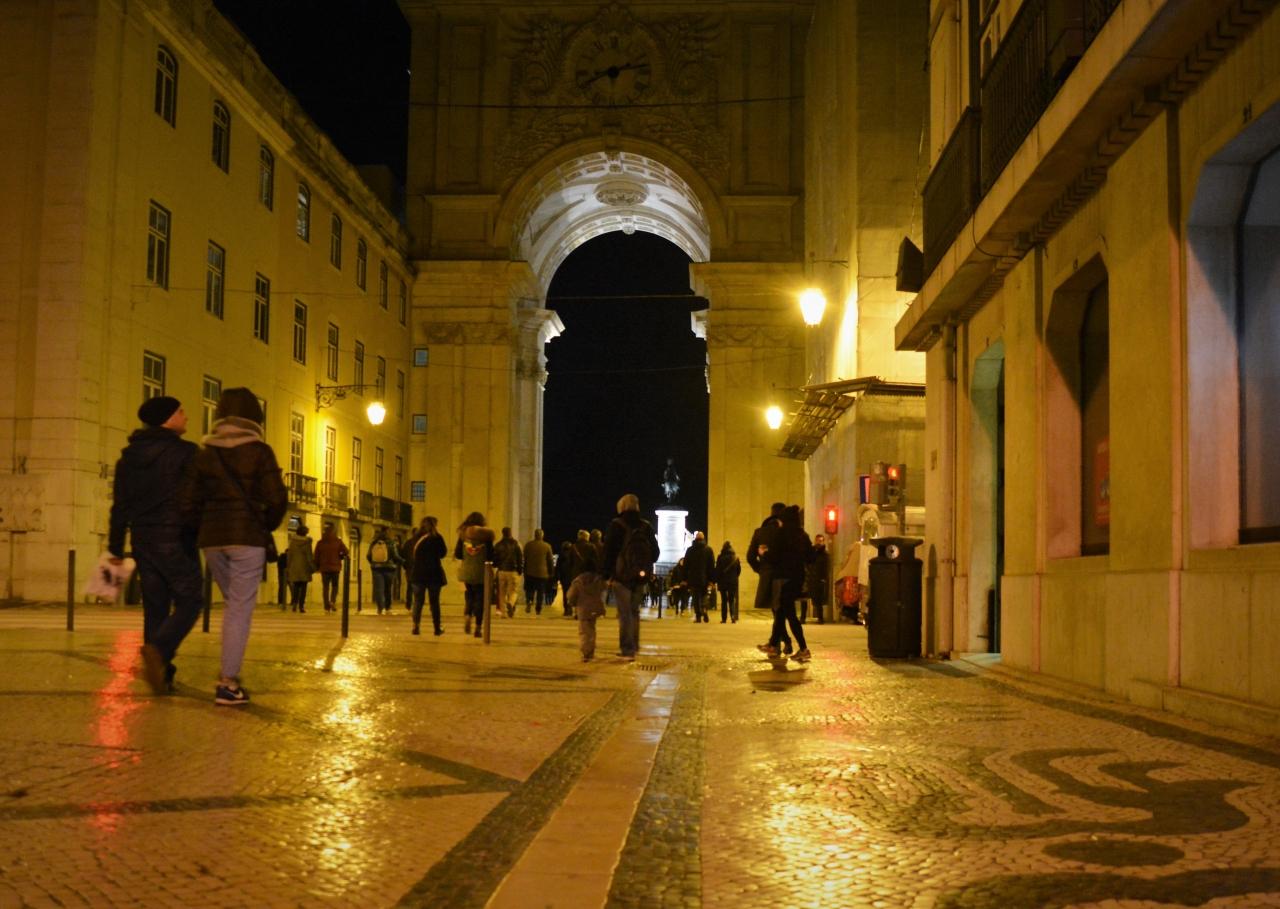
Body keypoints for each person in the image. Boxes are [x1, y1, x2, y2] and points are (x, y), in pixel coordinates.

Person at [180, 387, 287, 705]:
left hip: (213, 541)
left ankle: (229, 673)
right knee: (239, 609)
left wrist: (204, 528)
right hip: (247, 539)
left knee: (233, 605)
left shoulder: (205, 454)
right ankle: (227, 683)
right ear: (254, 418)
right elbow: (277, 499)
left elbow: (188, 502)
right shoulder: (260, 452)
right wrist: (265, 525)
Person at [108, 395, 202, 695]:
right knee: (191, 600)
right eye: (181, 411)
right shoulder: (186, 453)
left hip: (142, 540)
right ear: (168, 418)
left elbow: (120, 507)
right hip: (175, 538)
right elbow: (195, 498)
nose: (186, 416)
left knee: (155, 606)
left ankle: (163, 674)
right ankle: (159, 650)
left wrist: (115, 548)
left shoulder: (128, 458)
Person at [602, 493, 659, 660]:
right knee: (634, 612)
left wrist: (606, 574)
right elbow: (656, 553)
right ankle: (635, 644)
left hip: (621, 577)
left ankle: (627, 649)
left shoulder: (616, 525)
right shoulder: (646, 526)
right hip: (640, 577)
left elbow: (608, 552)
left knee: (624, 613)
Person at [761, 505, 812, 661]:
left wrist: (763, 553)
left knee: (787, 613)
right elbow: (811, 557)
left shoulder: (782, 534)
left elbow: (774, 556)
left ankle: (802, 648)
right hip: (797, 578)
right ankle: (774, 644)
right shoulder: (803, 535)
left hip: (785, 578)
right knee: (783, 612)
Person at [747, 502, 791, 655]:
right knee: (780, 612)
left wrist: (761, 570)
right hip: (785, 576)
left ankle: (779, 644)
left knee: (777, 611)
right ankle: (781, 643)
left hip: (767, 576)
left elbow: (750, 557)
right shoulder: (787, 533)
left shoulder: (760, 533)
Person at [454, 512, 494, 637]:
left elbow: (458, 554)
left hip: (467, 571)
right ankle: (478, 627)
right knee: (480, 600)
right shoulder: (487, 536)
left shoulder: (463, 535)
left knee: (469, 596)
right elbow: (491, 555)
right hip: (482, 573)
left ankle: (467, 615)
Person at [407, 515, 448, 635]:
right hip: (434, 574)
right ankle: (437, 628)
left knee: (418, 602)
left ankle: (415, 626)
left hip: (418, 574)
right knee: (434, 602)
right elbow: (443, 553)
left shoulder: (415, 538)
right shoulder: (437, 537)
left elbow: (410, 554)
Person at [567, 547, 606, 662]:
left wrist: (572, 603)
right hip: (595, 609)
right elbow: (604, 589)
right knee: (592, 630)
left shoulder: (578, 581)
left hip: (583, 610)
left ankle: (586, 653)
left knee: (584, 631)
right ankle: (591, 650)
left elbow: (571, 595)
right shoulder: (598, 580)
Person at [314, 522, 349, 613]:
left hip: (324, 568)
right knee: (335, 586)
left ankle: (326, 606)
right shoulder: (338, 541)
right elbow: (346, 551)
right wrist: (340, 556)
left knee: (325, 587)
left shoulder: (320, 542)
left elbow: (316, 556)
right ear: (333, 531)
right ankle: (332, 601)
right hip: (335, 568)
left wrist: (317, 566)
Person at [682, 531, 715, 623]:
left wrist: (684, 579)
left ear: (695, 539)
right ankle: (704, 608)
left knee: (696, 598)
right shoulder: (709, 550)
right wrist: (712, 580)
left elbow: (685, 565)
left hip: (693, 578)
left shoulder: (690, 550)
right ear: (703, 539)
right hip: (705, 578)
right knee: (704, 595)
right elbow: (711, 566)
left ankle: (698, 617)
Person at [367, 526, 401, 615]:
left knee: (379, 589)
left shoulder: (374, 542)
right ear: (388, 532)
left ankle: (380, 608)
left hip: (376, 569)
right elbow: (395, 556)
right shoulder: (391, 542)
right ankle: (388, 607)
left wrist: (374, 563)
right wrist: (401, 561)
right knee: (388, 589)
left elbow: (368, 556)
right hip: (389, 569)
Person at [492, 526, 523, 618]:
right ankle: (510, 603)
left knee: (502, 593)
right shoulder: (516, 544)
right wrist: (520, 570)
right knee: (513, 591)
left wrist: (496, 565)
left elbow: (494, 558)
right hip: (513, 571)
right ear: (510, 533)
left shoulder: (498, 545)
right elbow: (520, 558)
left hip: (501, 571)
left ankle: (503, 613)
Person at [523, 528, 555, 614]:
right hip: (542, 573)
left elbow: (525, 557)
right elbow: (550, 560)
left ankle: (529, 601)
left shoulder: (528, 545)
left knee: (529, 589)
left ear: (535, 535)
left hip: (529, 571)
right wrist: (551, 572)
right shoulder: (547, 546)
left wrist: (525, 569)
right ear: (542, 536)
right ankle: (538, 608)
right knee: (541, 592)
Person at [286, 523, 316, 612]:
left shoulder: (292, 542)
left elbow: (289, 555)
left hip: (294, 567)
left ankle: (295, 604)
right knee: (303, 588)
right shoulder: (307, 543)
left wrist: (288, 567)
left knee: (296, 586)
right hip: (304, 568)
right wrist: (313, 567)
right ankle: (301, 606)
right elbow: (309, 556)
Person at [805, 533, 831, 625]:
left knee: (819, 599)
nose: (819, 542)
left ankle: (820, 618)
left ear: (823, 542)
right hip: (810, 577)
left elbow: (826, 567)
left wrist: (824, 578)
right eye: (817, 540)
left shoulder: (825, 554)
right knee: (805, 598)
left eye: (821, 541)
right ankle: (803, 617)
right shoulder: (811, 552)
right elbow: (807, 563)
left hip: (819, 578)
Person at [716, 541, 741, 623]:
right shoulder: (735, 557)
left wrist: (717, 579)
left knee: (724, 600)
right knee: (731, 600)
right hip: (732, 582)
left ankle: (724, 619)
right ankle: (733, 617)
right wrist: (734, 577)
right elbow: (738, 571)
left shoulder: (720, 557)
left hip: (722, 582)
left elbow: (718, 570)